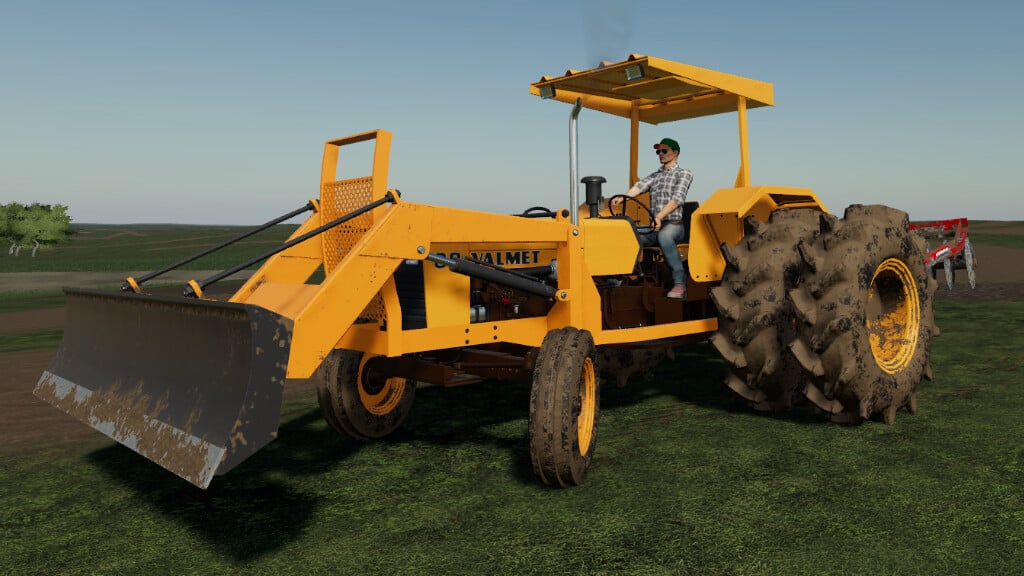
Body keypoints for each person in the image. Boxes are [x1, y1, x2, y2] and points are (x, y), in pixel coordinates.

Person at [610, 137, 693, 299]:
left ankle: (680, 283)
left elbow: (677, 199)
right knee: (629, 234)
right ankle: (619, 276)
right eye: (658, 151)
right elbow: (639, 186)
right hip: (655, 227)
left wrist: (659, 216)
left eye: (664, 151)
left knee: (665, 236)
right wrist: (623, 198)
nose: (660, 154)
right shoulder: (656, 175)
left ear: (675, 153)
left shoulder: (684, 173)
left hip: (674, 225)